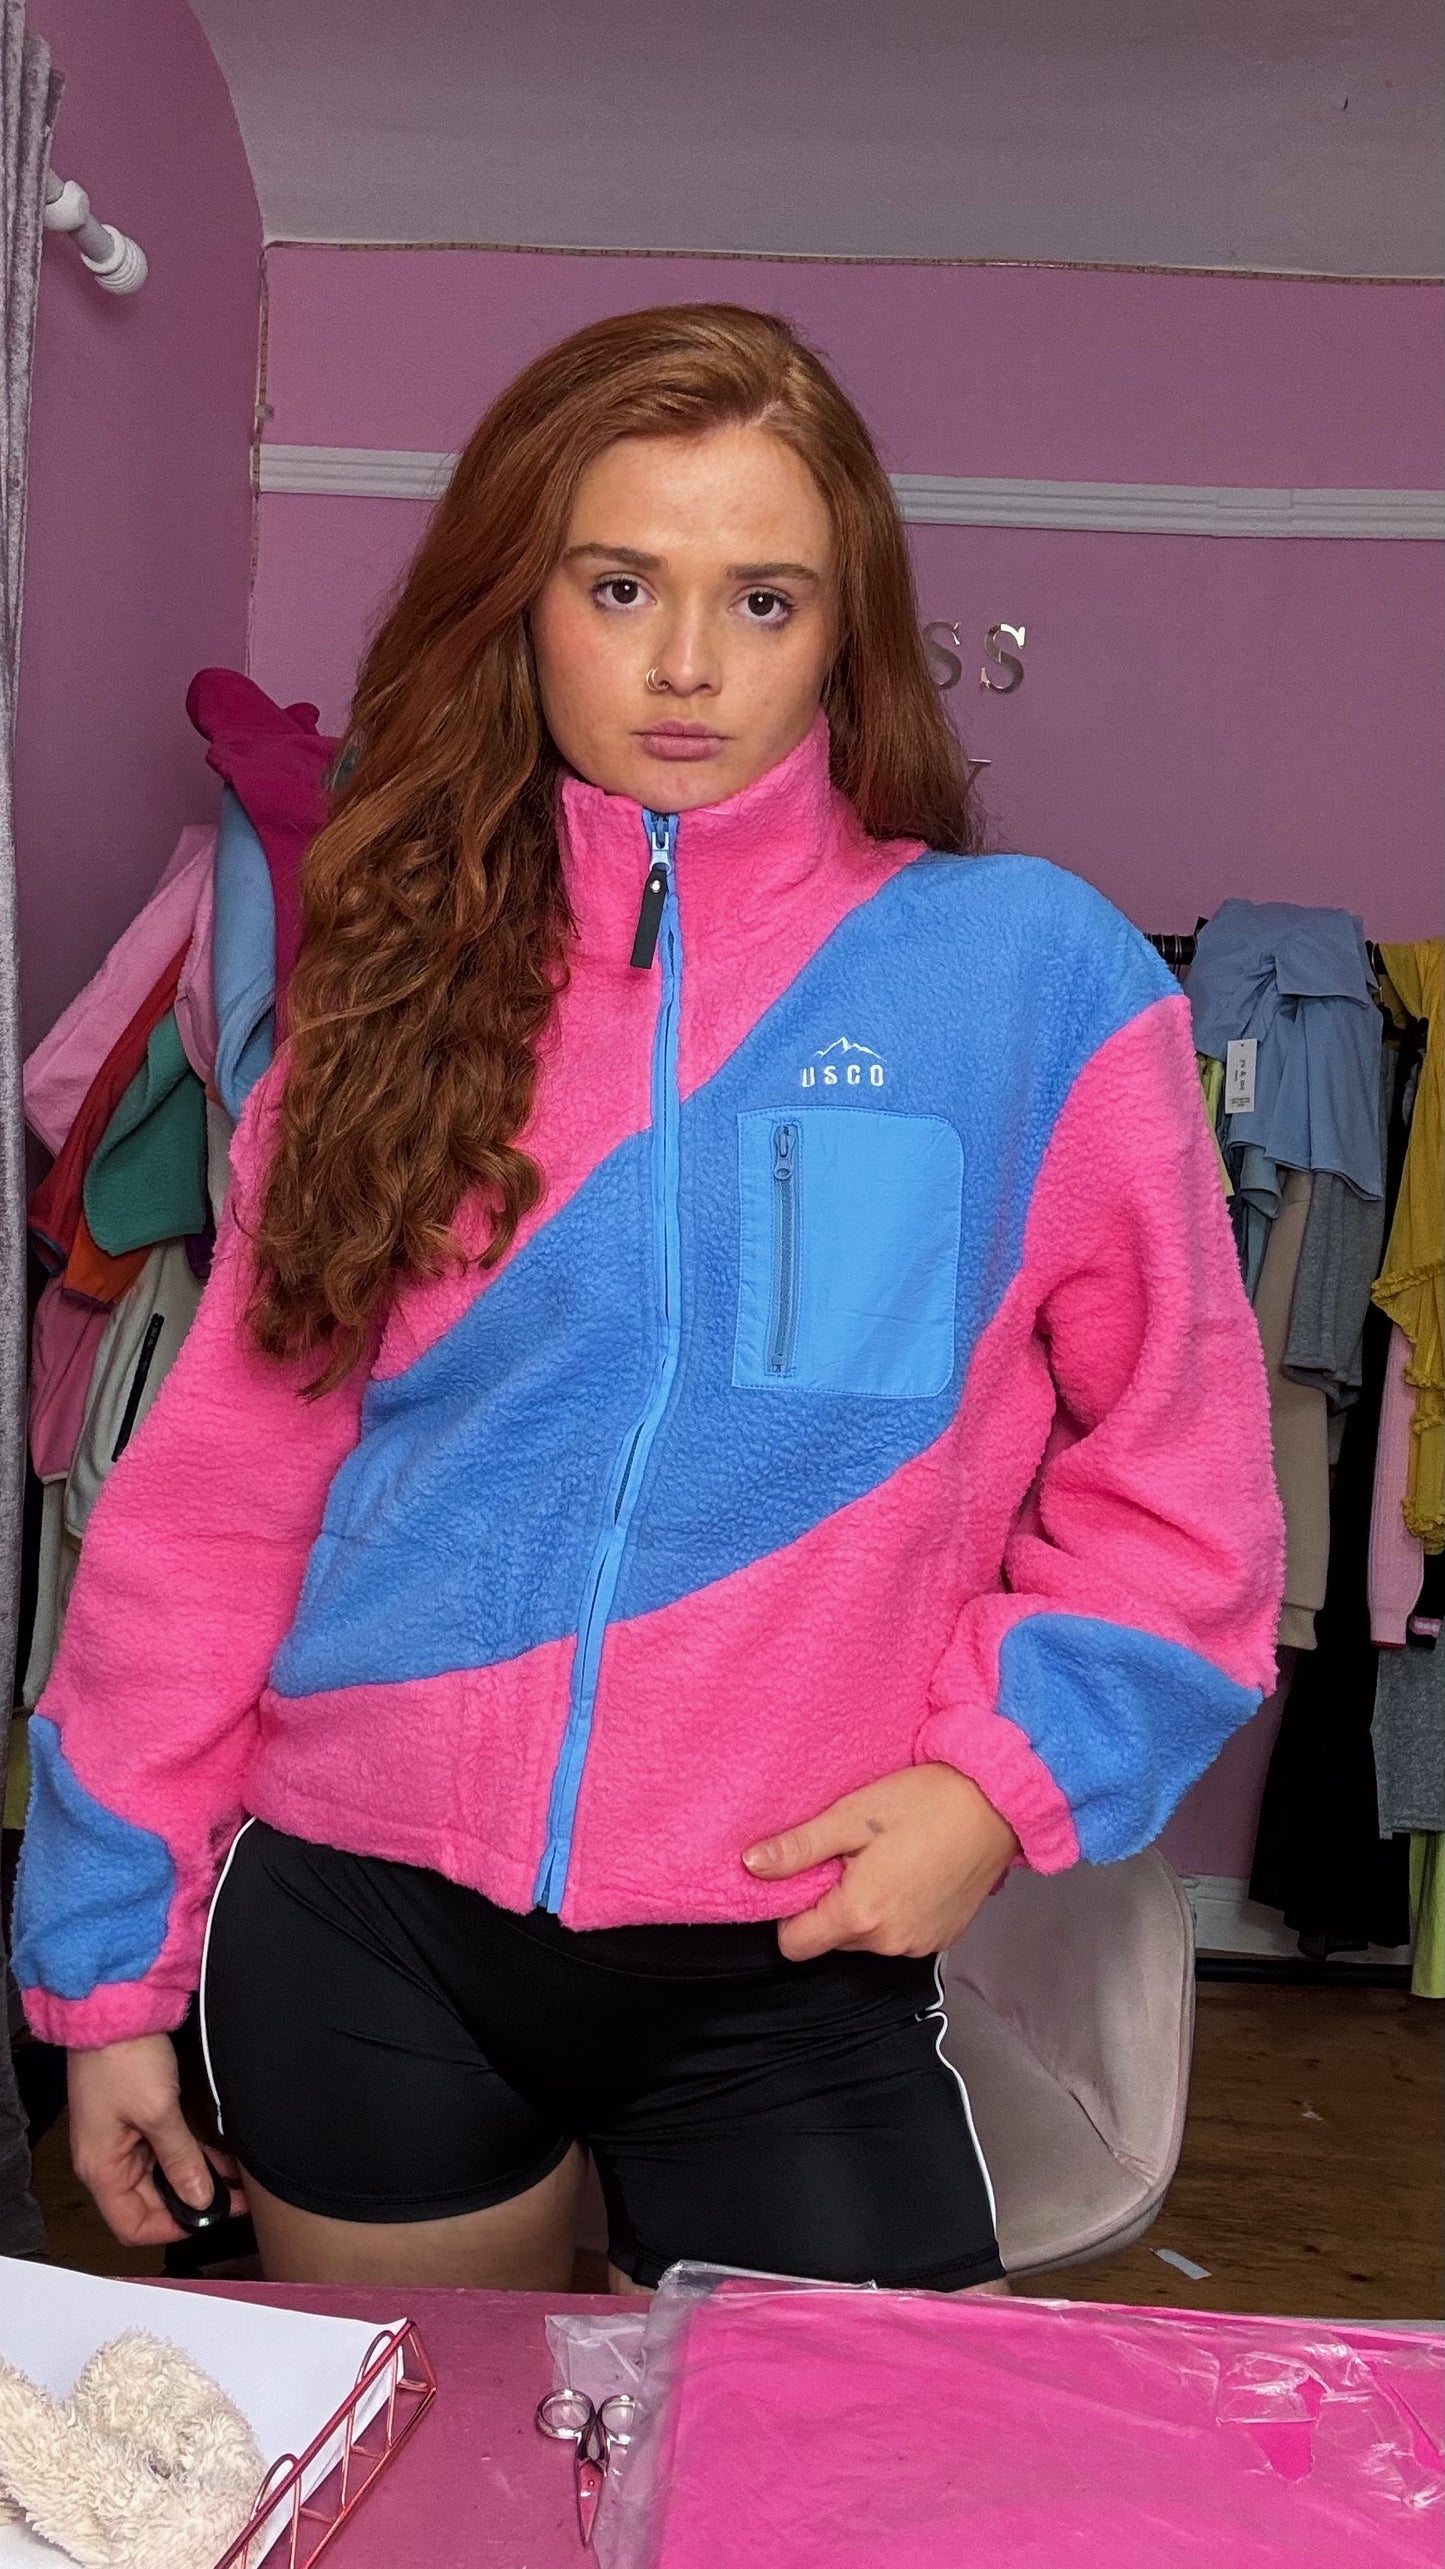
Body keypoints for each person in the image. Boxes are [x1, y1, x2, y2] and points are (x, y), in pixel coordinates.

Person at [11, 304, 1283, 2293]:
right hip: (363, 1928)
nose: (688, 664)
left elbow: (1181, 1489)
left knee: (845, 2456)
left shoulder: (1030, 981)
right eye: (620, 586)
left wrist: (999, 1778)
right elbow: (210, 1518)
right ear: (520, 605)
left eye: (763, 598)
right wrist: (104, 1976)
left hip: (788, 1946)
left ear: (844, 632)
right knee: (431, 2451)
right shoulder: (389, 991)